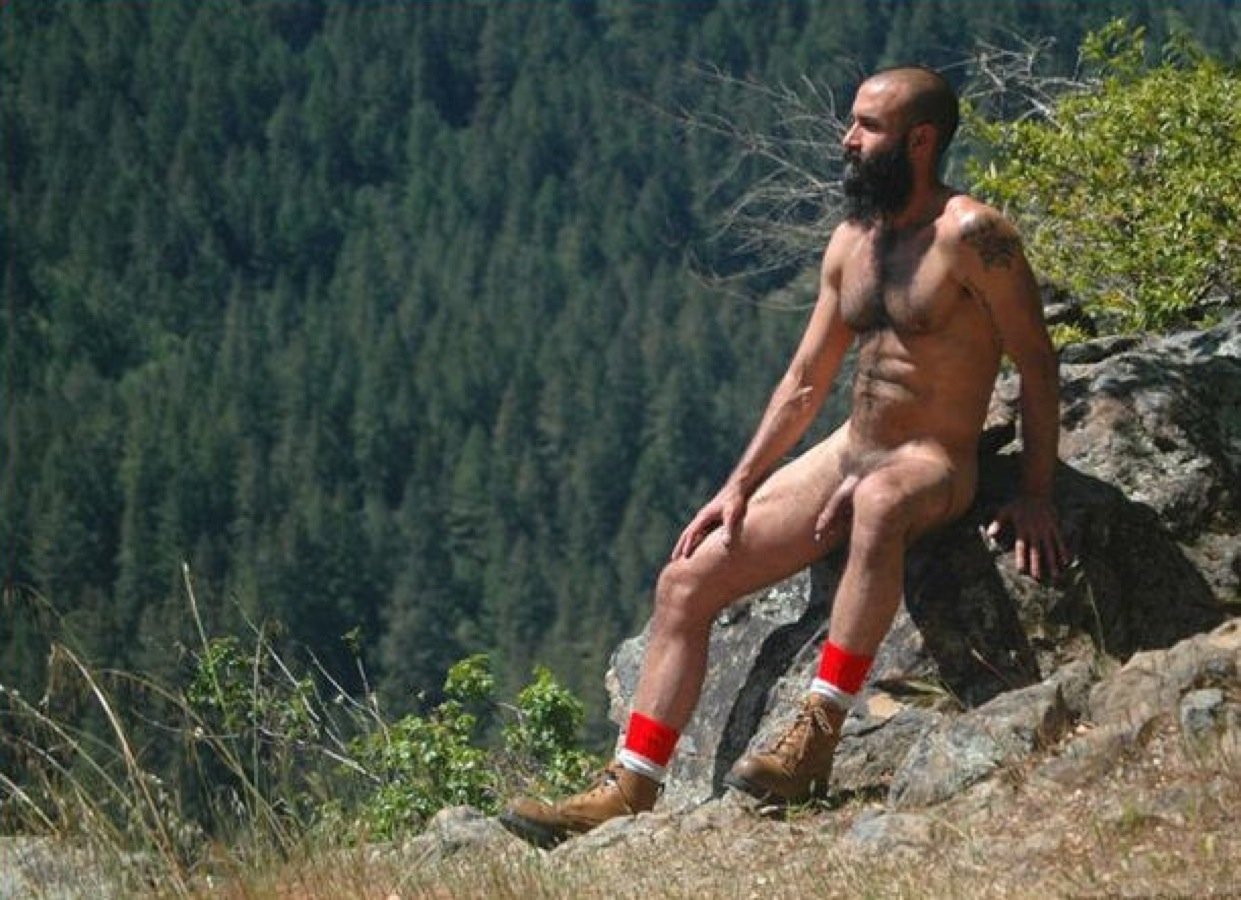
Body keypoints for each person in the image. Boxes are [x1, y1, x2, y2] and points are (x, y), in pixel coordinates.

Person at [500, 65, 1068, 848]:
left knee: (877, 505)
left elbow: (1036, 363)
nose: (847, 138)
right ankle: (629, 784)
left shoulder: (973, 235)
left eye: (866, 126)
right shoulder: (853, 242)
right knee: (685, 578)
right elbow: (804, 380)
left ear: (920, 140)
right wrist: (737, 486)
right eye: (852, 121)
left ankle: (816, 737)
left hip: (932, 458)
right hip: (848, 450)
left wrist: (1035, 492)